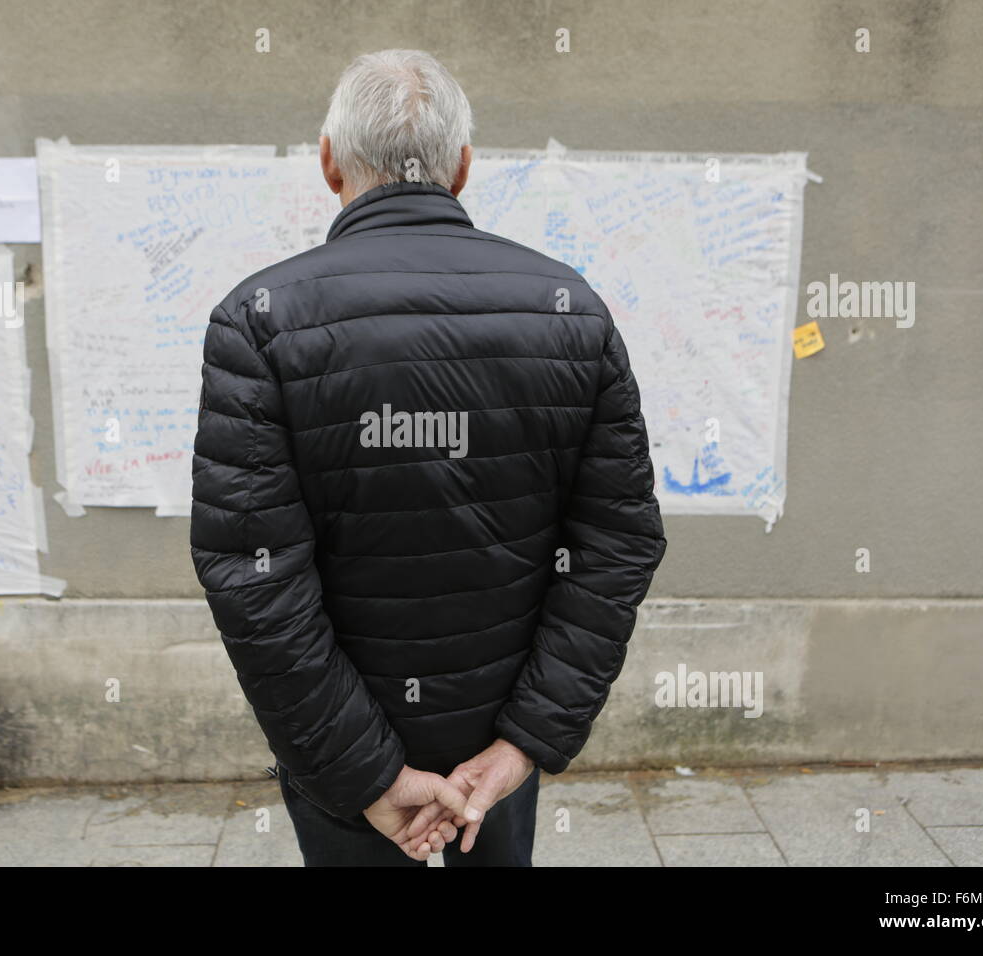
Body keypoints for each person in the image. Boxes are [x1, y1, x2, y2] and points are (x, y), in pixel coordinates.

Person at [190, 49, 666, 867]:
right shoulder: (569, 312)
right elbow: (618, 543)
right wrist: (522, 744)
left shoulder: (257, 321)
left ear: (330, 162)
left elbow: (253, 573)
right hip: (494, 759)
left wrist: (366, 774)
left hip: (339, 758)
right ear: (463, 168)